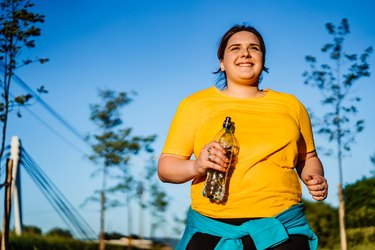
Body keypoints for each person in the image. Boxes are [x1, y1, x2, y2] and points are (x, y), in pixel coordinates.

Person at [157, 24, 328, 250]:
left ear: (262, 59)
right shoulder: (194, 105)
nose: (245, 53)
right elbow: (166, 168)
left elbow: (308, 158)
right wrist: (197, 166)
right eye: (235, 48)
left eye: (254, 48)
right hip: (212, 229)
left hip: (282, 230)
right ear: (222, 63)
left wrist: (314, 177)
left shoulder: (291, 105)